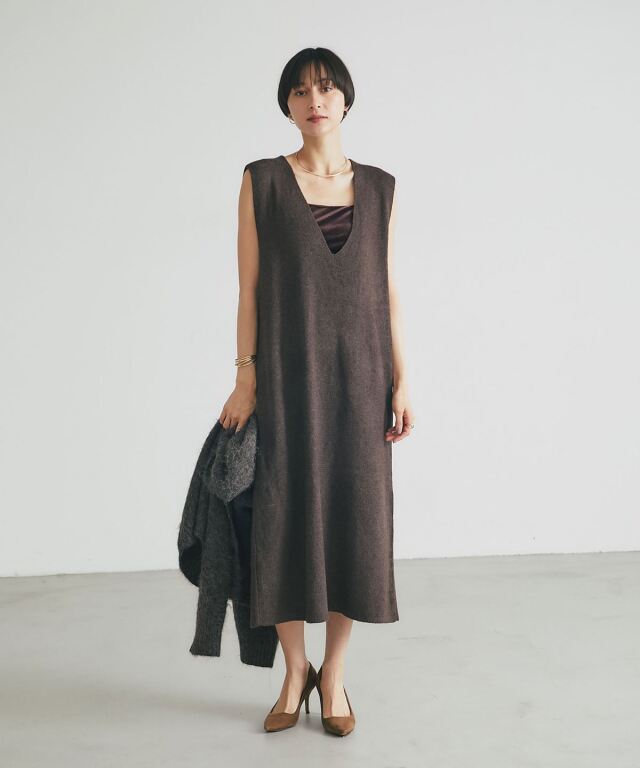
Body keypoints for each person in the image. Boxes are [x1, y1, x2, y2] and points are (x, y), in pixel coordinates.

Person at [218, 47, 415, 736]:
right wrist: (245, 376)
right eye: (300, 91)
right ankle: (293, 669)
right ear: (288, 105)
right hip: (286, 378)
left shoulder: (381, 187)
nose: (315, 101)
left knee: (354, 518)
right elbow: (247, 290)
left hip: (362, 381)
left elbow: (387, 289)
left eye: (326, 88)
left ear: (346, 99)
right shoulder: (263, 181)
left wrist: (402, 378)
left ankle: (333, 674)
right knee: (280, 515)